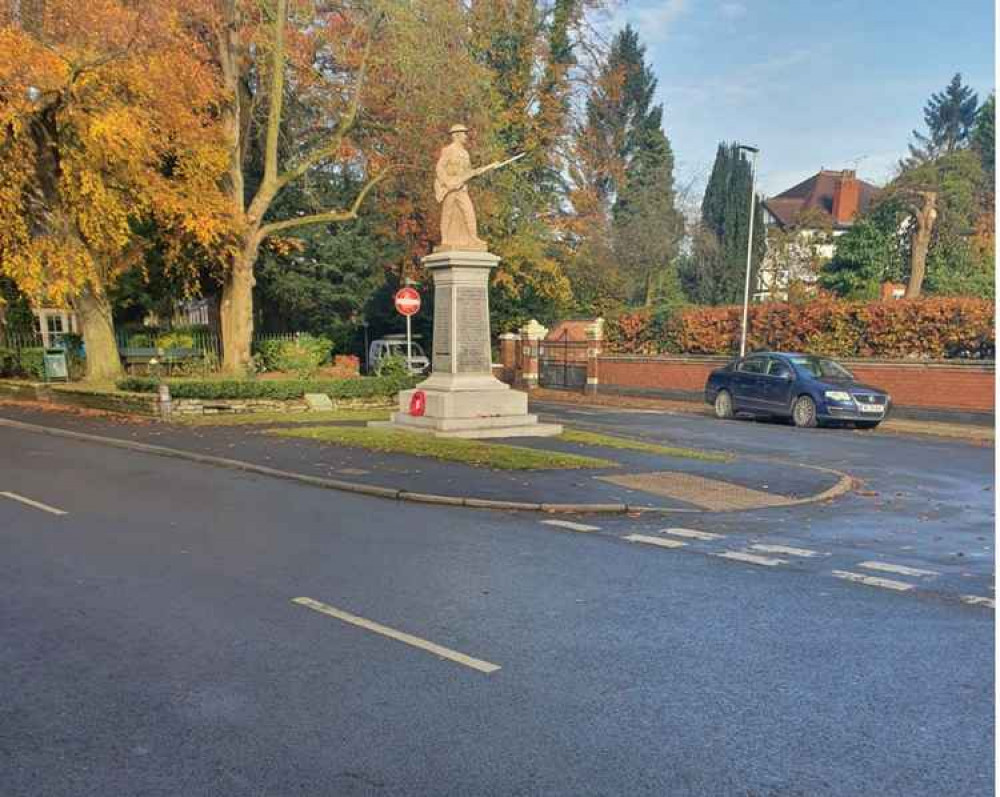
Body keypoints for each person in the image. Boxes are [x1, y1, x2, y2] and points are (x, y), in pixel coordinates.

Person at [434, 124, 489, 251]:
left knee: (469, 212)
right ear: (456, 135)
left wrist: (477, 172)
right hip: (450, 188)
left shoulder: (465, 153)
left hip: (461, 188)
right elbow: (440, 168)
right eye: (463, 134)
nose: (466, 136)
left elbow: (468, 172)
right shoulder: (448, 150)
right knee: (447, 213)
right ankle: (445, 239)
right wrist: (447, 183)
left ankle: (473, 238)